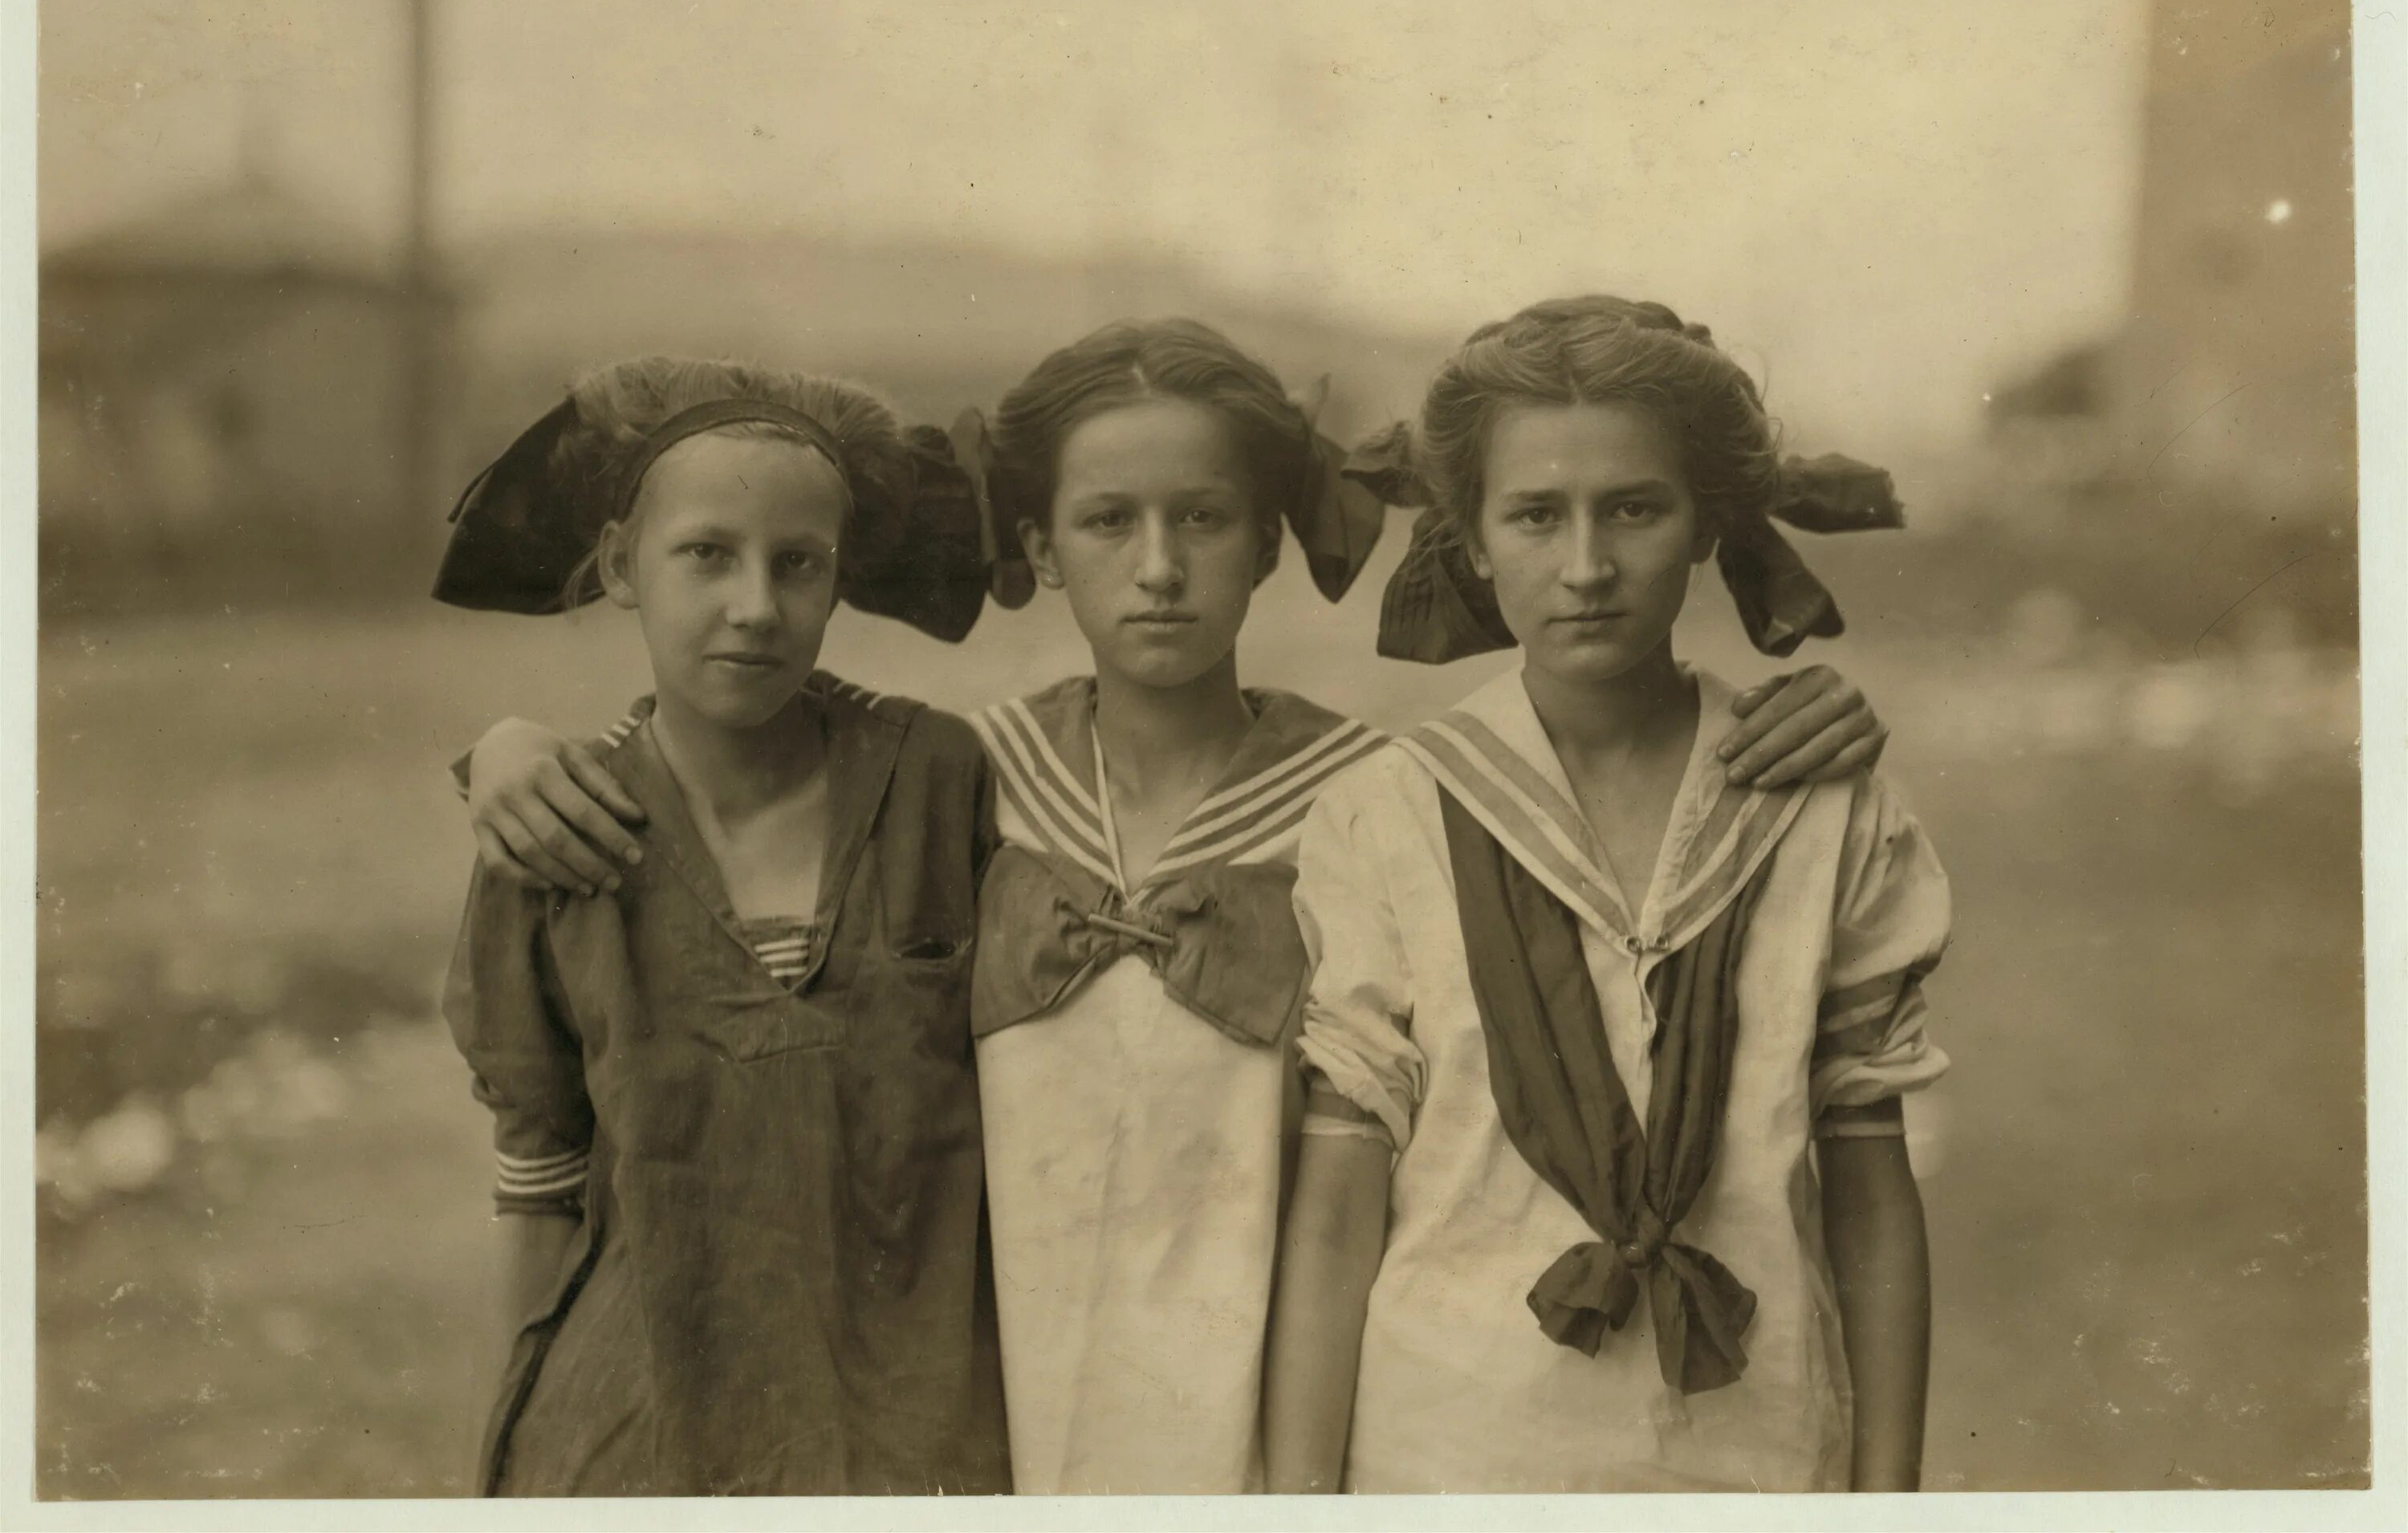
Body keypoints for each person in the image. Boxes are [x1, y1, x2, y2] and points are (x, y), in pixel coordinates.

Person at [455, 322, 1892, 1496]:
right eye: (1107, 521)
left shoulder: (1373, 797)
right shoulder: (962, 783)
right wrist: (509, 751)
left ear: (1269, 542)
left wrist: (1799, 718)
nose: (1157, 568)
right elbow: (743, 765)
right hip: (1003, 1423)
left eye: (1203, 520)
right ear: (1039, 545)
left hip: (1275, 1430)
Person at [1262, 296, 1946, 1495]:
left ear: (1705, 526)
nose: (1585, 567)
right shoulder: (1387, 815)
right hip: (1450, 1452)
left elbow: (1873, 1193)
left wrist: (1887, 1501)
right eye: (1535, 515)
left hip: (1762, 1452)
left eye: (1634, 509)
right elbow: (1333, 1213)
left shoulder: (1826, 810)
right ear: (1471, 541)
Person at [432, 357, 1010, 1496]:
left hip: (909, 1441)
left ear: (838, 583)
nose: (755, 605)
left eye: (797, 564)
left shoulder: (940, 780)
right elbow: (537, 1179)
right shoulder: (551, 838)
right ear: (619, 567)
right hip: (637, 1443)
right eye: (707, 554)